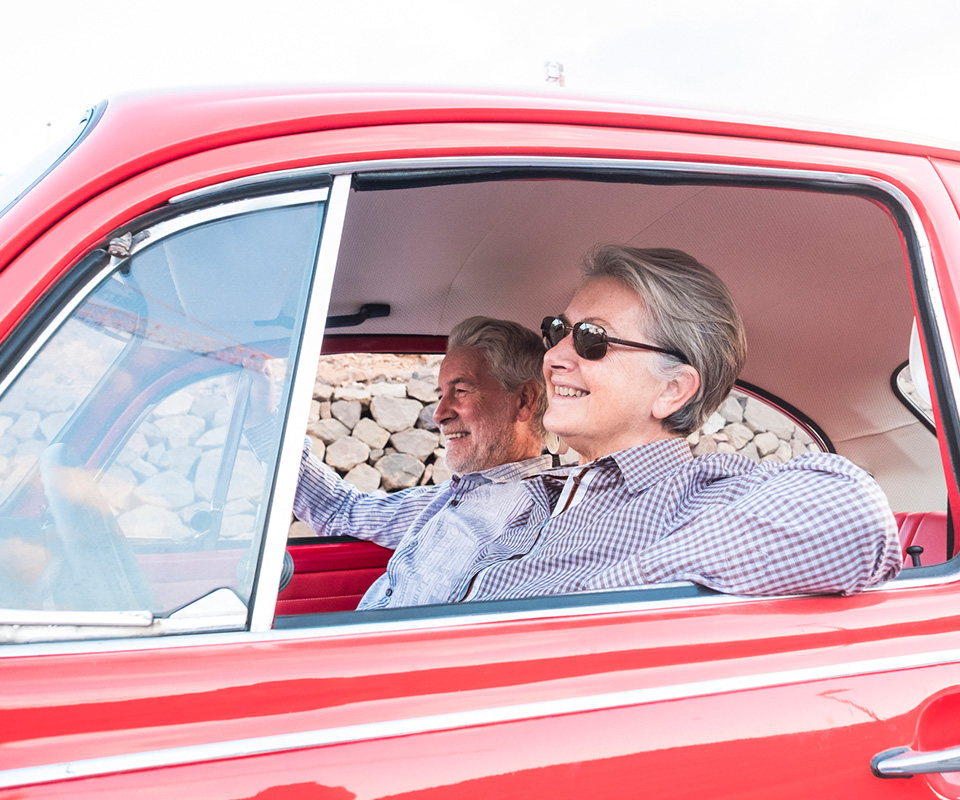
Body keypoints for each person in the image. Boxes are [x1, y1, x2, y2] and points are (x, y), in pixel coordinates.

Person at [441, 245, 901, 602]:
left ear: (672, 391)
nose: (555, 355)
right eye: (559, 331)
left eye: (592, 339)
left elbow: (853, 515)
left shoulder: (696, 497)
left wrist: (597, 606)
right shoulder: (544, 489)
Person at [251, 316, 553, 609]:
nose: (439, 413)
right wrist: (262, 418)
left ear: (524, 400)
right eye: (442, 394)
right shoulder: (445, 498)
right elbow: (342, 510)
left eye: (461, 391)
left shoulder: (543, 519)